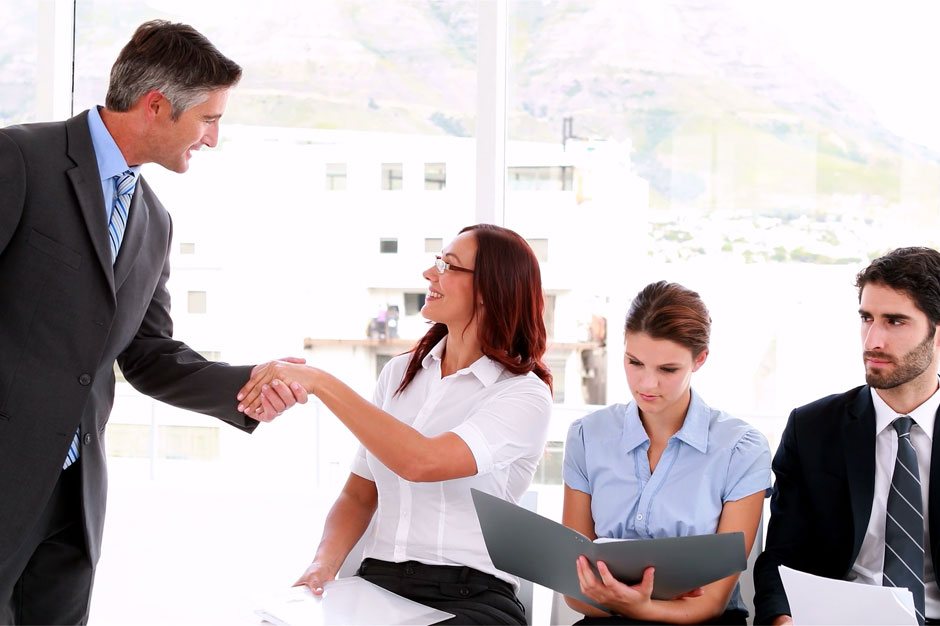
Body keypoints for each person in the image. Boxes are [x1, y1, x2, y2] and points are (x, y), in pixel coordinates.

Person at [0, 20, 305, 625]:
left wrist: (248, 385)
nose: (213, 139)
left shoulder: (153, 221)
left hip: (72, 493)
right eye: (208, 119)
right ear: (157, 105)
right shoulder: (19, 159)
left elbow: (147, 354)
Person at [240, 224, 554, 624]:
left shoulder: (522, 395)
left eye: (448, 265)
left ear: (491, 289)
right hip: (378, 585)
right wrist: (322, 566)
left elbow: (421, 462)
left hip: (471, 596)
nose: (430, 273)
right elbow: (358, 495)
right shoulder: (399, 374)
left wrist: (320, 382)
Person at [562, 281, 771, 625]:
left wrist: (640, 606)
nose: (646, 384)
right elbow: (573, 586)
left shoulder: (740, 448)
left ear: (699, 360)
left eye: (667, 370)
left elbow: (713, 600)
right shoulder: (588, 436)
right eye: (635, 362)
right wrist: (628, 606)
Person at [754, 247, 940, 626]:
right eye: (866, 318)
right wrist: (782, 620)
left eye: (895, 322)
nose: (873, 340)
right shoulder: (812, 429)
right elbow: (781, 557)